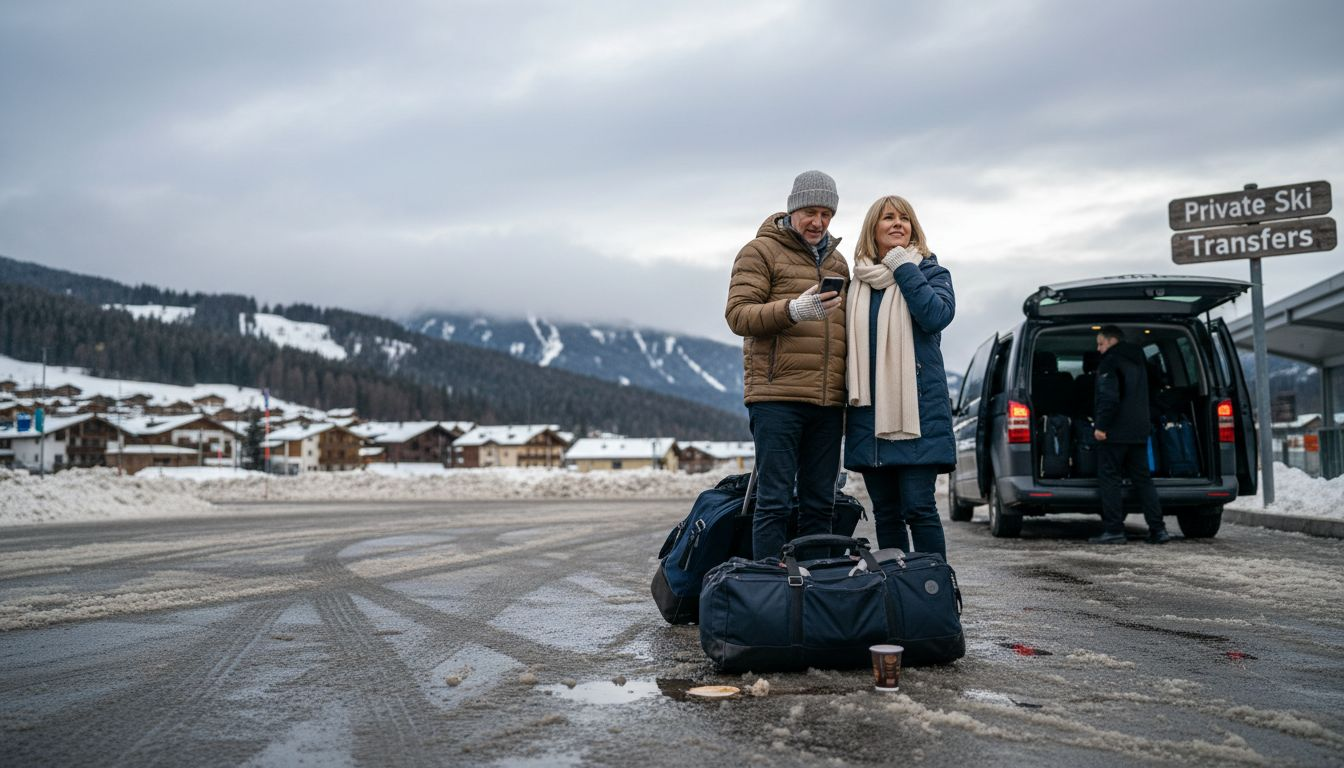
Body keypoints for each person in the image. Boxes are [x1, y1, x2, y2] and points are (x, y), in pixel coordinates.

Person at [725, 171, 849, 560]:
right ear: (793, 209)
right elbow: (738, 315)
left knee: (820, 503)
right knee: (774, 501)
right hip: (776, 396)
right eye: (811, 211)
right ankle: (768, 593)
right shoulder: (759, 252)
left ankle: (816, 596)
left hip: (828, 402)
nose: (818, 222)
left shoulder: (839, 262)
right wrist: (793, 310)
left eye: (827, 214)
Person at [843, 195, 955, 559]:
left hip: (915, 413)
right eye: (888, 217)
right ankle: (896, 592)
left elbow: (935, 316)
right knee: (886, 514)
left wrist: (904, 267)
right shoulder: (857, 284)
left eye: (904, 218)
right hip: (870, 414)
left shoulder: (932, 273)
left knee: (919, 508)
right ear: (872, 229)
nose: (897, 223)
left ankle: (932, 592)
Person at [1088, 325, 1171, 545]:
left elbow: (1109, 398)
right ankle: (1158, 529)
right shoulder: (1140, 361)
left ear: (1112, 341)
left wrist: (1101, 426)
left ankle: (1114, 530)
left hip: (1114, 433)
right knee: (1143, 480)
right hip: (1139, 431)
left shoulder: (1110, 362)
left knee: (1110, 479)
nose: (1098, 349)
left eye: (1101, 343)